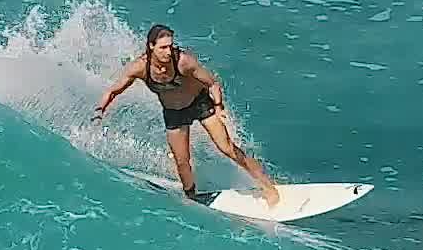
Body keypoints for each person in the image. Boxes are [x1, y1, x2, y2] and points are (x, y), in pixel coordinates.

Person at [94, 25, 285, 206]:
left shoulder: (183, 62)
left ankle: (267, 186)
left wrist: (219, 106)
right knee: (182, 162)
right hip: (174, 113)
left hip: (199, 104)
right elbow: (113, 91)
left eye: (170, 46)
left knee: (226, 147)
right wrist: (100, 110)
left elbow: (212, 83)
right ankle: (192, 196)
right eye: (163, 48)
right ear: (151, 46)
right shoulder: (139, 68)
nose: (168, 52)